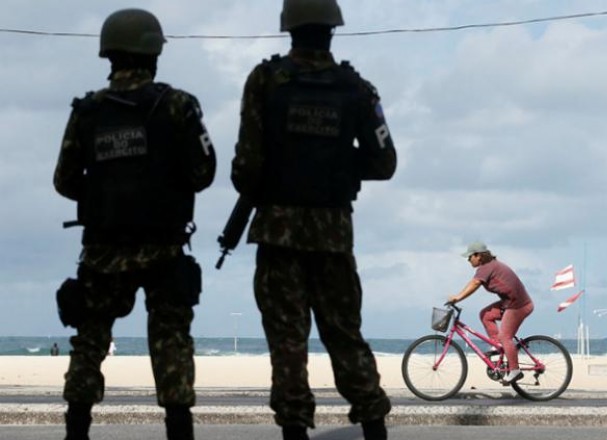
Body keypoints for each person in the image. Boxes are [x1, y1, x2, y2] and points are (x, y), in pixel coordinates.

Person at [230, 1, 396, 439]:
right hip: (334, 235)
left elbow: (245, 168)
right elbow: (384, 162)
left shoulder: (265, 81)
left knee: (288, 343)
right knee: (345, 336)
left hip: (277, 234)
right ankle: (374, 428)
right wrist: (337, 161)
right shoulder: (358, 89)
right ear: (332, 30)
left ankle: (295, 432)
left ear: (288, 29)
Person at [53, 8, 216, 440]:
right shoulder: (178, 106)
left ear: (109, 55)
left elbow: (64, 180)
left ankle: (76, 430)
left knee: (88, 343)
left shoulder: (87, 111)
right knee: (171, 344)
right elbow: (204, 172)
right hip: (163, 247)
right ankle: (179, 430)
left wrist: (105, 197)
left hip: (103, 248)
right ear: (153, 54)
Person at [448, 242, 535, 384]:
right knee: (486, 315)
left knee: (505, 336)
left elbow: (475, 283)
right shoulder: (490, 266)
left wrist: (457, 297)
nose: (468, 260)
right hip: (510, 303)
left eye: (470, 257)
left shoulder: (486, 268)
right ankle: (498, 346)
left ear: (478, 256)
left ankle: (514, 370)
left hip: (518, 305)